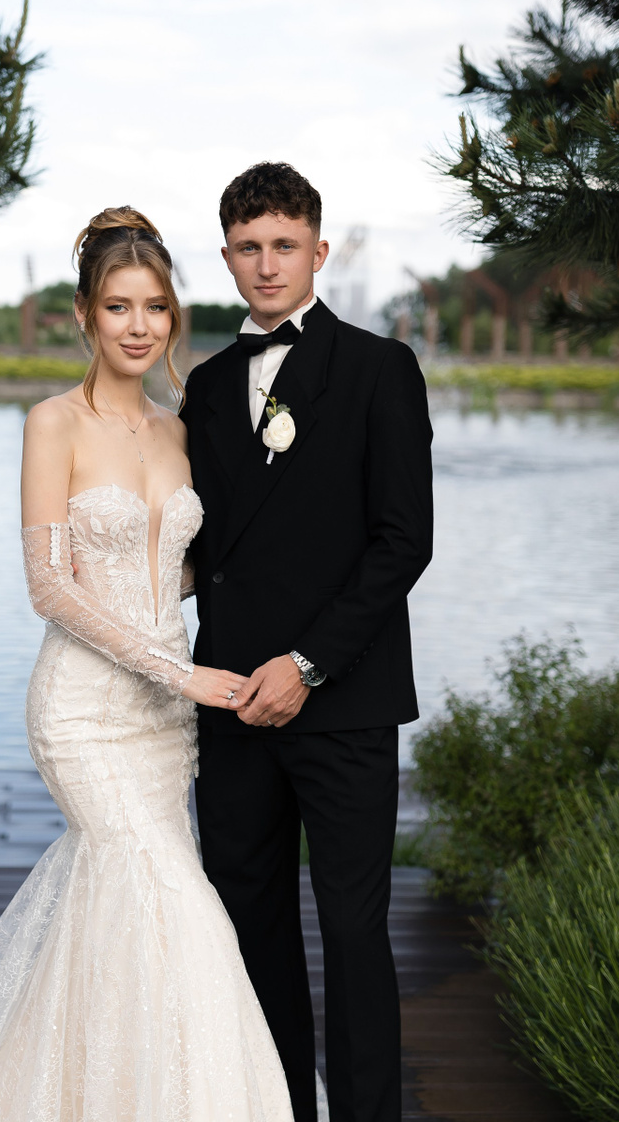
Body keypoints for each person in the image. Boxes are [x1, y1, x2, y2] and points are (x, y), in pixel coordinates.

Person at [0, 207, 294, 1121]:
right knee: (176, 907)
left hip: (163, 728)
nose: (139, 326)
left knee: (121, 917)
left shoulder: (182, 431)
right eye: (118, 307)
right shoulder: (53, 425)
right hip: (82, 712)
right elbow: (50, 586)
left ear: (173, 316)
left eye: (155, 307)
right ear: (84, 314)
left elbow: (185, 572)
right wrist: (180, 673)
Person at [182, 162, 434, 1122]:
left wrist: (309, 664)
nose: (267, 264)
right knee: (250, 931)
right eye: (249, 247)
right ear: (226, 257)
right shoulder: (208, 387)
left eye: (284, 245)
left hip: (345, 701)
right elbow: (202, 545)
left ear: (318, 252)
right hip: (232, 705)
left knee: (354, 932)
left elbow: (402, 541)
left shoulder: (379, 369)